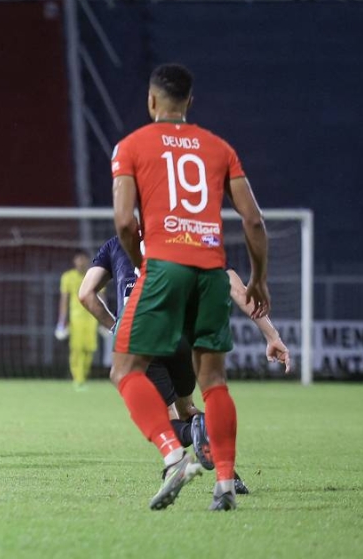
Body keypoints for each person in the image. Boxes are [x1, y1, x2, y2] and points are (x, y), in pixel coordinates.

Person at [111, 63, 271, 512]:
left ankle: (173, 452)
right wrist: (258, 278)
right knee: (214, 380)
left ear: (151, 101)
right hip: (211, 270)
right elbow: (254, 220)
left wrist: (143, 263)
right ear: (190, 103)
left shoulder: (131, 146)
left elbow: (125, 221)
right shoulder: (220, 148)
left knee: (125, 369)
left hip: (165, 265)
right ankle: (223, 482)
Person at [78, 234, 290, 494]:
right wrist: (272, 335)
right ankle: (228, 474)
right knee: (187, 406)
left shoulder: (116, 243)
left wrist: (114, 327)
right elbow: (238, 290)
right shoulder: (193, 236)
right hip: (182, 334)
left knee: (163, 417)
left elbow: (86, 294)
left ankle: (186, 444)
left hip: (140, 334)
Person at [54, 249, 99, 390]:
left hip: (92, 318)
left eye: (83, 259)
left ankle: (84, 376)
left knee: (90, 349)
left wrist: (106, 319)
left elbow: (101, 298)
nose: (81, 262)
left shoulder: (94, 276)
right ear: (74, 261)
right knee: (77, 349)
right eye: (78, 259)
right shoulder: (67, 277)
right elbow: (64, 300)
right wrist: (62, 321)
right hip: (75, 319)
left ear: (87, 260)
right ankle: (78, 379)